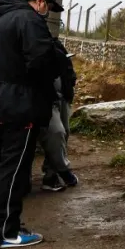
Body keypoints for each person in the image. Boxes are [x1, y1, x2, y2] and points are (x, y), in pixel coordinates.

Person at [0, 0, 64, 249]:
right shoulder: (29, 20)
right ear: (41, 1)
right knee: (15, 167)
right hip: (22, 104)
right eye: (50, 8)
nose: (48, 13)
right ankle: (7, 232)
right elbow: (41, 62)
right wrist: (57, 64)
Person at [40, 38, 79, 192]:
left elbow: (68, 71)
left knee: (64, 133)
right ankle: (63, 172)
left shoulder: (55, 44)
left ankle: (51, 175)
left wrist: (69, 85)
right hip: (45, 99)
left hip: (62, 97)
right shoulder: (30, 44)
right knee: (56, 133)